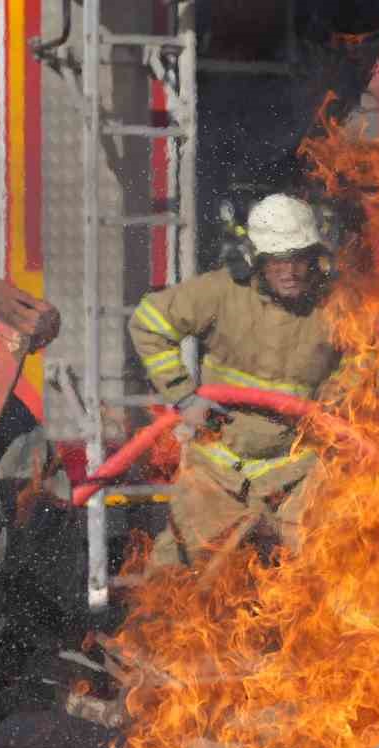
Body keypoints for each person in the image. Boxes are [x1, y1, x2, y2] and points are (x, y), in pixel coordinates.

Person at [129, 193, 341, 569]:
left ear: (315, 257)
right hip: (218, 471)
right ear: (255, 259)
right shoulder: (220, 292)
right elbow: (149, 322)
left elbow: (370, 351)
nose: (290, 271)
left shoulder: (335, 306)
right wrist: (183, 396)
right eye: (278, 259)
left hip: (298, 473)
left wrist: (338, 400)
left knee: (322, 573)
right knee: (178, 580)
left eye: (299, 258)